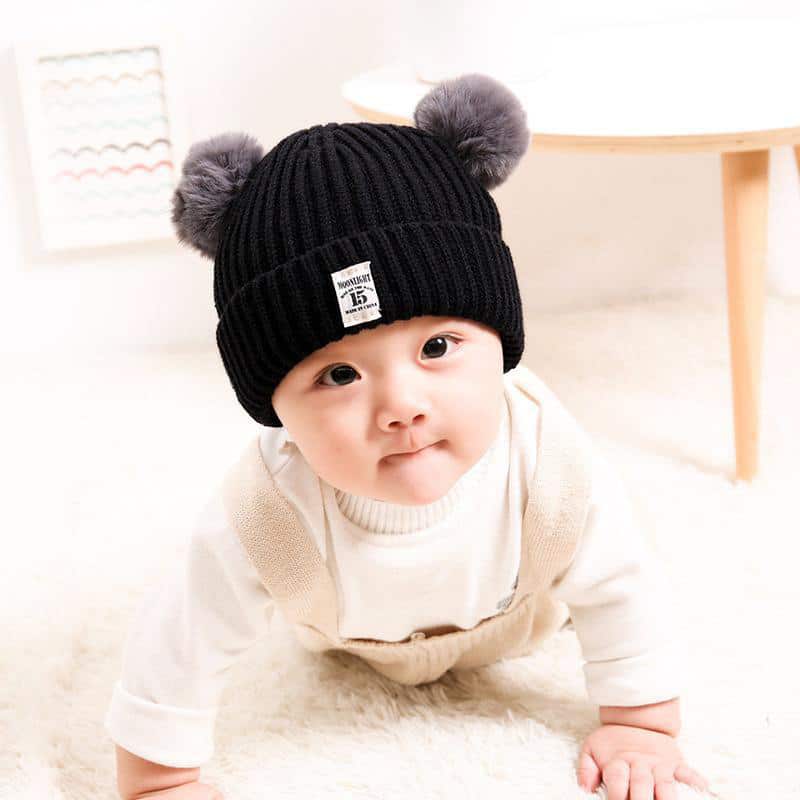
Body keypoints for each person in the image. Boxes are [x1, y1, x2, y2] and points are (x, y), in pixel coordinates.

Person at [104, 73, 710, 800]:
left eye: (436, 348)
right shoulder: (267, 514)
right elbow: (181, 635)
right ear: (275, 409)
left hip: (520, 615)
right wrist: (159, 779)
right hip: (349, 635)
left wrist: (641, 725)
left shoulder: (548, 461)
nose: (401, 407)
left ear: (501, 344)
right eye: (338, 375)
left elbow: (623, 585)